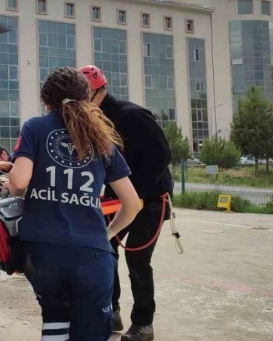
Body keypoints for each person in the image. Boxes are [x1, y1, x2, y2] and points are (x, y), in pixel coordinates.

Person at [6, 66, 143, 341]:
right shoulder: (101, 139)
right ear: (87, 98)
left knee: (56, 322)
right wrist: (106, 235)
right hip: (91, 253)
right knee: (90, 331)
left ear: (47, 101)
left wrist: (9, 178)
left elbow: (19, 182)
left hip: (42, 252)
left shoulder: (35, 127)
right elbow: (132, 204)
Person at [79, 64, 174, 341]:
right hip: (114, 201)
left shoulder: (132, 116)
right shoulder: (93, 121)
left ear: (98, 90)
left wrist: (136, 195)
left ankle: (143, 324)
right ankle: (112, 311)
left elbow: (162, 155)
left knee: (137, 258)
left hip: (150, 199)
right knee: (105, 251)